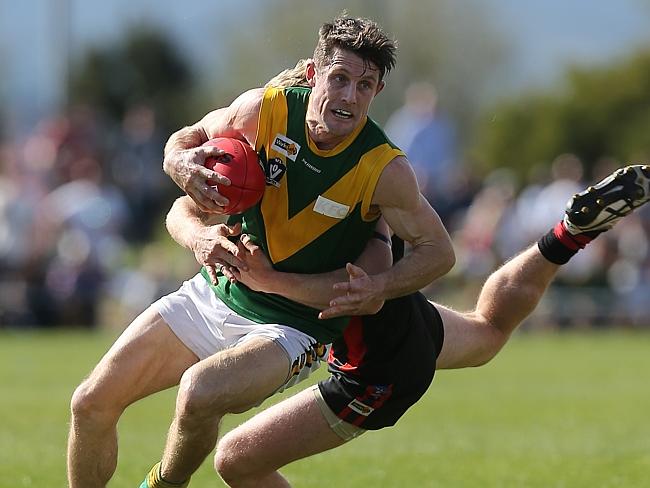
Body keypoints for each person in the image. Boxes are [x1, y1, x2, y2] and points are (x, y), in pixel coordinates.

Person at [66, 16, 455, 488]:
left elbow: (437, 251)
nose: (350, 97)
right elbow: (183, 165)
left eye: (365, 85)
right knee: (89, 403)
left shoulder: (383, 168)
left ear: (377, 92)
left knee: (198, 393)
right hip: (214, 294)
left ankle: (164, 484)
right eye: (340, 78)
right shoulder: (263, 110)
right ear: (314, 73)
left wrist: (379, 285)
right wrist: (191, 204)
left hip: (292, 327)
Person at [205, 164, 650, 487]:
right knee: (488, 330)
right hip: (407, 321)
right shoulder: (371, 161)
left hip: (373, 371)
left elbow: (356, 286)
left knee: (235, 460)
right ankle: (568, 235)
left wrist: (270, 281)